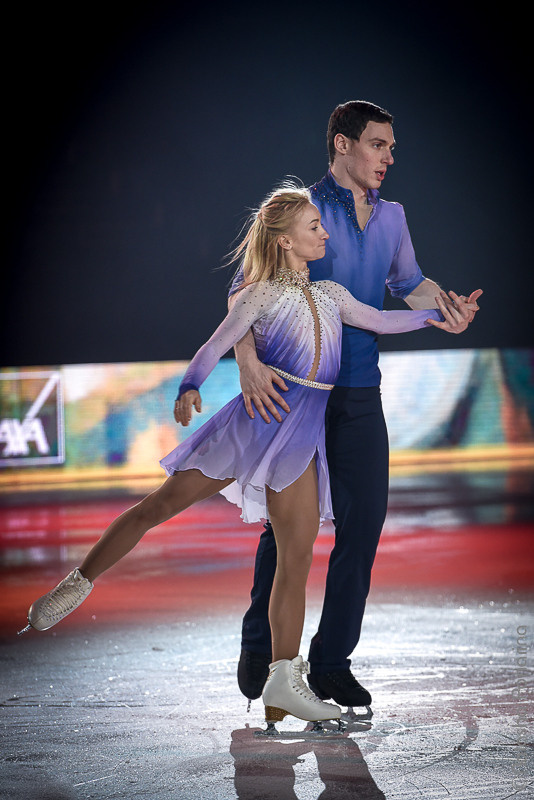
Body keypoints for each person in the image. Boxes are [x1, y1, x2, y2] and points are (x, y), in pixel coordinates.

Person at [18, 184, 469, 728]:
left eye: (322, 227)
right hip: (253, 425)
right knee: (156, 508)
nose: (323, 232)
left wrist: (436, 316)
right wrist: (189, 387)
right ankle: (77, 583)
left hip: (300, 438)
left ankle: (284, 680)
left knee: (295, 557)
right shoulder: (259, 295)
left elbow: (381, 320)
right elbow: (214, 345)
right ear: (284, 242)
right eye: (313, 228)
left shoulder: (331, 294)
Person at [232, 101, 482, 709]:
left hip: (361, 392)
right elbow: (245, 288)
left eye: (391, 147)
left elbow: (406, 281)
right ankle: (263, 651)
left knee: (363, 524)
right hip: (299, 395)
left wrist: (442, 305)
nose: (389, 158)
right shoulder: (303, 211)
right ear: (342, 145)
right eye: (378, 145)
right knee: (286, 532)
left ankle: (331, 662)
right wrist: (246, 362)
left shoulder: (393, 216)